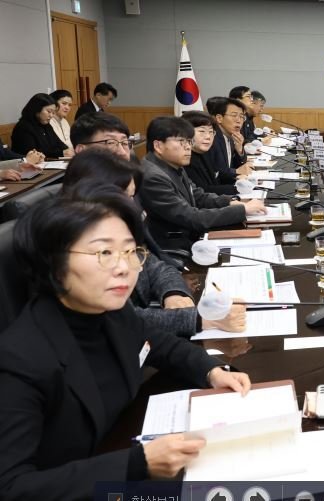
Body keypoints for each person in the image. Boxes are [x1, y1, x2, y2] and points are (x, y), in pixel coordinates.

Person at [0, 188, 251, 500]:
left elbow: (158, 343)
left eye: (131, 251)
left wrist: (211, 371)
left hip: (122, 445)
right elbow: (11, 487)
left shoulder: (111, 312)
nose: (125, 267)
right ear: (52, 263)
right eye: (104, 253)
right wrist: (137, 464)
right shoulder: (19, 360)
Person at [61, 151, 247, 338]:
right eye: (123, 197)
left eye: (132, 196)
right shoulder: (76, 249)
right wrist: (201, 320)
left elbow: (153, 265)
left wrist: (173, 293)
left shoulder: (118, 228)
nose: (134, 207)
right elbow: (118, 319)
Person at [137, 116, 264, 250]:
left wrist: (230, 202)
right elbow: (191, 217)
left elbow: (199, 196)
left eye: (189, 141)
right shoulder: (153, 176)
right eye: (181, 141)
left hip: (192, 237)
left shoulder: (171, 163)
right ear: (158, 146)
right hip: (175, 247)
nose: (188, 147)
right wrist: (242, 210)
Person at [182, 110, 237, 195]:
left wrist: (237, 179)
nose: (208, 136)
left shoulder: (205, 153)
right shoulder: (184, 159)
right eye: (202, 131)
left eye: (211, 132)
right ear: (186, 133)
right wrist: (236, 189)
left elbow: (216, 179)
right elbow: (203, 191)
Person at [11, 93, 74, 158]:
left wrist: (67, 150)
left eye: (53, 112)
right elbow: (34, 153)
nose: (51, 115)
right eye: (49, 111)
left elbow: (58, 143)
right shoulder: (23, 127)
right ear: (37, 109)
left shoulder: (46, 125)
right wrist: (61, 153)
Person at [206, 97, 252, 185]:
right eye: (234, 115)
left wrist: (239, 149)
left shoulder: (230, 137)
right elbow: (217, 173)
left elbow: (237, 166)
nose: (239, 120)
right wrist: (236, 172)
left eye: (242, 117)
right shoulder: (212, 139)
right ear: (219, 118)